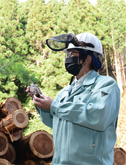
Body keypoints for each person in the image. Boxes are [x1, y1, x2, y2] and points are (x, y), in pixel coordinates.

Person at [26, 32, 120, 164]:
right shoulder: (65, 91)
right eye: (67, 54)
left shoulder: (106, 85)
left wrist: (54, 106)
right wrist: (41, 103)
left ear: (87, 58)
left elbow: (98, 116)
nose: (68, 57)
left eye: (72, 54)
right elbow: (55, 122)